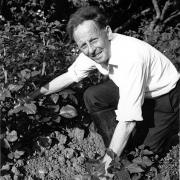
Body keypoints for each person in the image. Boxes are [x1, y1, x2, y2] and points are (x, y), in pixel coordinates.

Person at [27, 6, 180, 177]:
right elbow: (71, 75)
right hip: (131, 86)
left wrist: (104, 170)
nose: (90, 49)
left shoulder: (130, 58)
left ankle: (120, 155)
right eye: (83, 45)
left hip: (163, 98)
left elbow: (128, 121)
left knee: (143, 155)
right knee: (94, 96)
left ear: (107, 32)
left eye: (93, 40)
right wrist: (34, 95)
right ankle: (116, 152)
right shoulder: (91, 50)